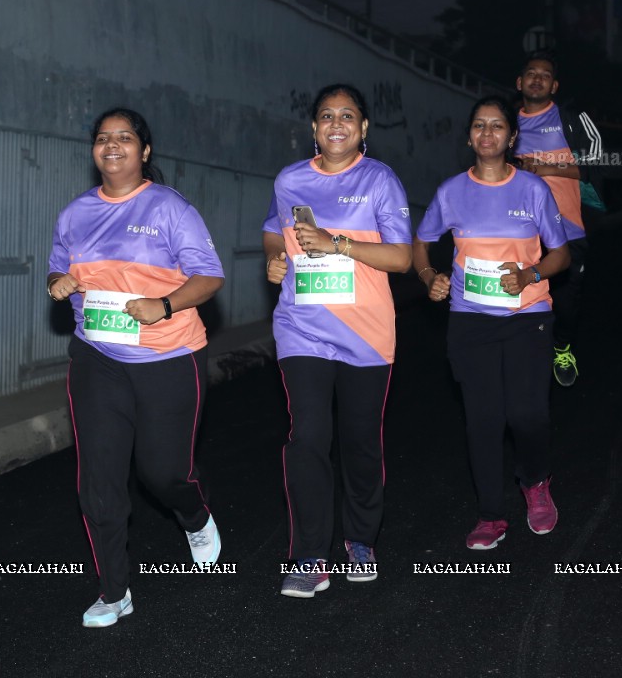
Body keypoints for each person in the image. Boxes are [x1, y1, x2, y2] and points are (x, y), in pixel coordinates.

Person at [47, 108, 225, 628]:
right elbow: (61, 263)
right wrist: (58, 281)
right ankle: (113, 591)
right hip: (97, 356)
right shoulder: (75, 212)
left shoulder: (169, 208)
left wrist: (164, 304)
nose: (112, 146)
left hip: (168, 356)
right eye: (103, 139)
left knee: (162, 471)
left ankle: (193, 513)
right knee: (98, 479)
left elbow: (208, 276)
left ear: (144, 151)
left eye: (124, 138)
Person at [263, 84, 412, 598]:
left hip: (365, 333)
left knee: (360, 443)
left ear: (364, 128)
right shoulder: (290, 180)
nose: (336, 124)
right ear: (313, 128)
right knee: (308, 438)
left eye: (348, 116)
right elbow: (272, 228)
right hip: (302, 326)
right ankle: (308, 556)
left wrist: (338, 244)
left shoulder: (379, 181)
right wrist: (273, 257)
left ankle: (361, 540)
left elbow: (402, 258)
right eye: (326, 116)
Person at [413, 95, 569, 551]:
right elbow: (420, 246)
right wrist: (428, 277)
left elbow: (561, 253)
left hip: (528, 317)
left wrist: (530, 274)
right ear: (469, 136)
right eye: (479, 126)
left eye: (497, 126)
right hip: (471, 321)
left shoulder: (533, 190)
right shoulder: (450, 192)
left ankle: (535, 482)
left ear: (511, 136)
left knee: (527, 414)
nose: (487, 133)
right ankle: (490, 514)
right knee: (483, 419)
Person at [514, 52, 600, 388]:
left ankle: (563, 347)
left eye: (545, 75)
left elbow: (594, 166)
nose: (537, 79)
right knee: (519, 297)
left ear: (555, 85)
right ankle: (523, 357)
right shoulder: (505, 123)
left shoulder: (571, 119)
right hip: (520, 231)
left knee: (565, 304)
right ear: (519, 82)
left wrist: (543, 168)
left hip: (567, 230)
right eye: (531, 73)